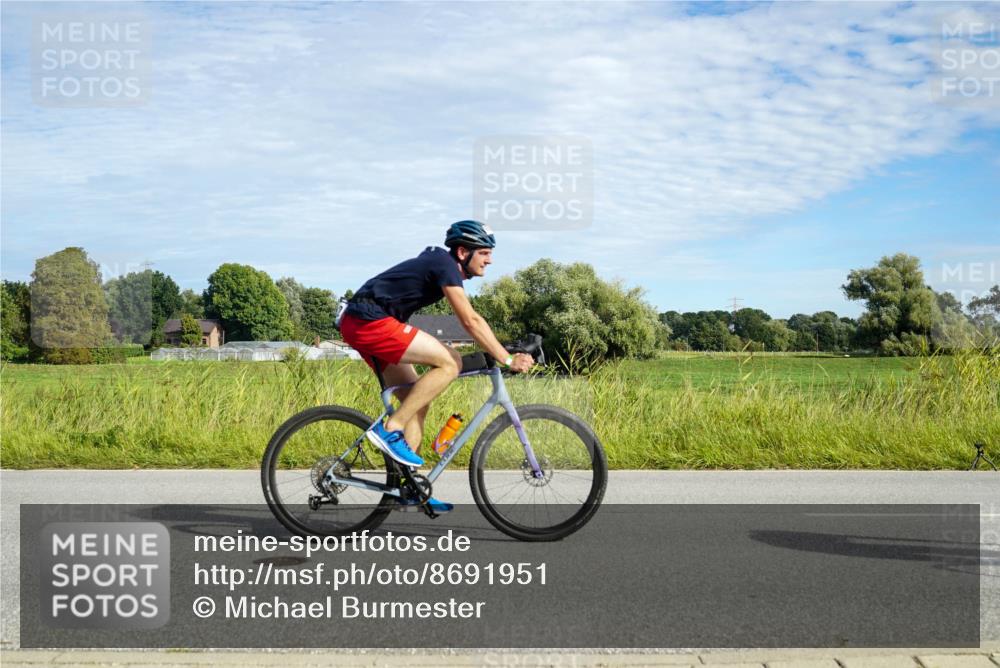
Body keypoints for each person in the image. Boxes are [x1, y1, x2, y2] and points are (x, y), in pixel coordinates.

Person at [339, 220, 534, 512]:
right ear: (461, 252)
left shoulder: (442, 264)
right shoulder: (444, 265)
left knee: (416, 400)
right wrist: (506, 358)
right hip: (368, 321)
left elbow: (474, 322)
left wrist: (500, 348)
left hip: (367, 322)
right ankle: (389, 429)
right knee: (450, 361)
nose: (490, 259)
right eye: (484, 253)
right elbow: (470, 321)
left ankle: (410, 488)